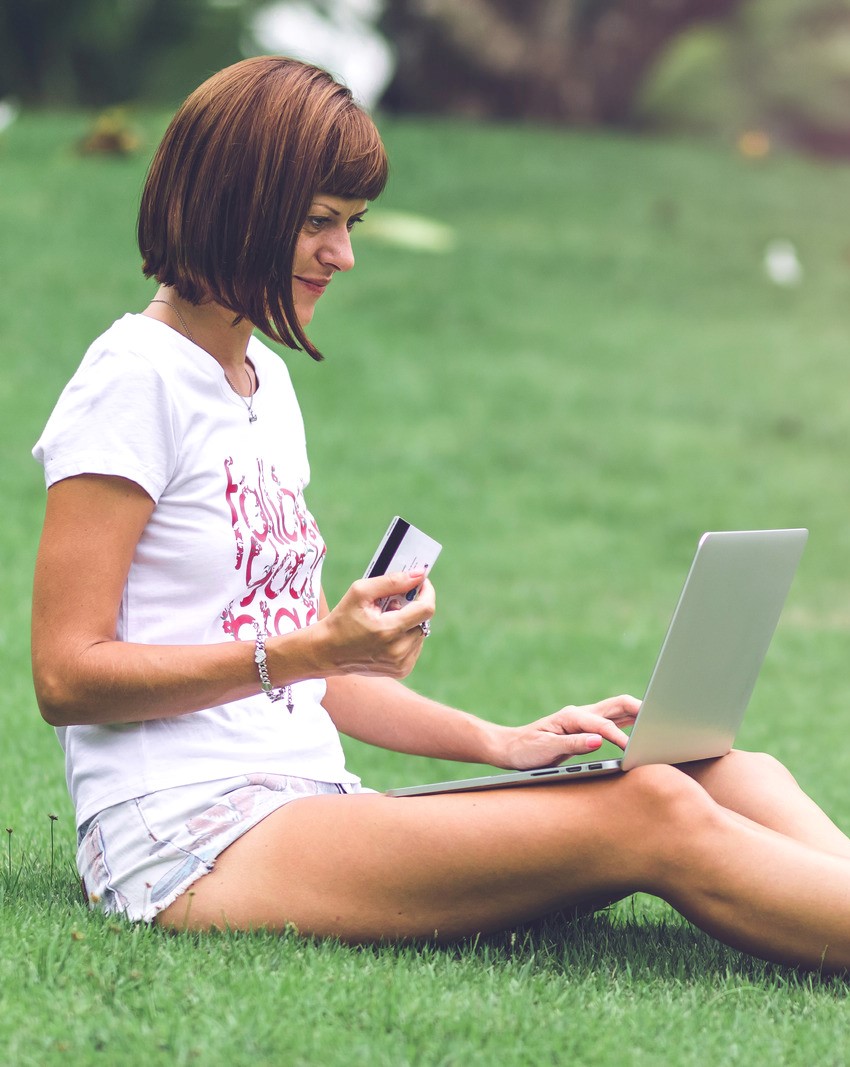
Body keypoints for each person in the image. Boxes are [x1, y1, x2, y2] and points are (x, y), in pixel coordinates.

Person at [31, 56, 850, 972]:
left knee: (725, 771)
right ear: (237, 203)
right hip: (187, 835)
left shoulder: (261, 386)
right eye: (318, 222)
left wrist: (500, 741)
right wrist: (313, 648)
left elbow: (306, 673)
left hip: (312, 798)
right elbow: (67, 675)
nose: (343, 255)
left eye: (351, 224)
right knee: (652, 811)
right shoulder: (132, 377)